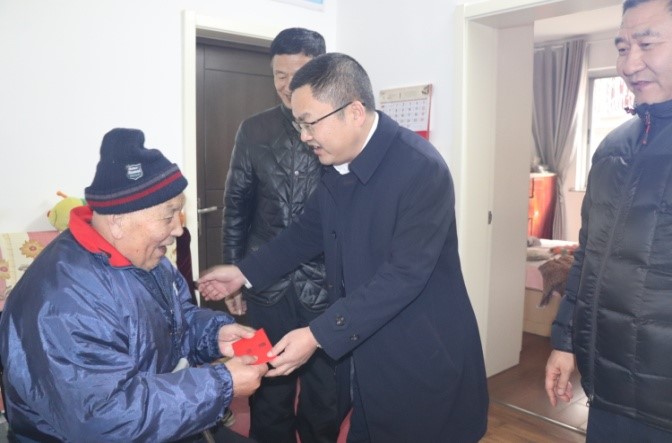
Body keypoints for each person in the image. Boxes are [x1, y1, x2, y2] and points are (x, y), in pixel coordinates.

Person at [199, 52, 489, 443]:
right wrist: (243, 272)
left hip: (421, 350)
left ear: (353, 112)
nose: (304, 136)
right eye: (298, 124)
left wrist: (316, 335)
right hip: (366, 346)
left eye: (309, 123)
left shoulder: (421, 169)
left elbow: (403, 277)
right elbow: (305, 233)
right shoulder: (338, 165)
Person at [0, 128, 267, 442]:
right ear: (117, 221)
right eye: (168, 215)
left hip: (157, 418)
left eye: (179, 212)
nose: (178, 229)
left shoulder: (147, 257)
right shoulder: (65, 301)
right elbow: (104, 419)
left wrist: (214, 335)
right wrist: (221, 384)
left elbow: (177, 319)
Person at [545, 1, 672, 441]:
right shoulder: (613, 148)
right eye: (622, 47)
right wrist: (565, 342)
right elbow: (588, 257)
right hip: (607, 392)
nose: (629, 64)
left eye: (647, 44)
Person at [221, 28, 339, 443]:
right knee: (266, 387)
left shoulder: (336, 129)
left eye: (298, 74)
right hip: (265, 285)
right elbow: (236, 206)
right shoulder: (253, 130)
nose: (287, 85)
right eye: (279, 75)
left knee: (325, 394)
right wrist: (235, 274)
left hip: (326, 285)